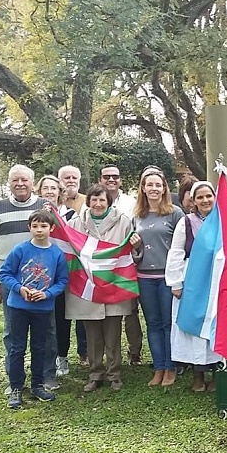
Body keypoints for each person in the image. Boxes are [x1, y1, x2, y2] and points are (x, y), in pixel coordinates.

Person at [0, 164, 47, 394]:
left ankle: (44, 378)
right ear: (9, 183)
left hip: (42, 282)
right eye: (15, 180)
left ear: (33, 182)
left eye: (24, 180)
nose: (20, 184)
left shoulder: (44, 206)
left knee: (44, 334)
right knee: (13, 334)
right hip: (10, 281)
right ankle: (15, 382)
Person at [67, 185, 135, 392]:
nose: (98, 204)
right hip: (87, 286)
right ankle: (95, 373)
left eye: (102, 200)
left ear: (109, 202)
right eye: (94, 200)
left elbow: (131, 250)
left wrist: (136, 245)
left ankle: (114, 373)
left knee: (113, 332)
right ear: (88, 201)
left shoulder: (123, 221)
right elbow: (67, 247)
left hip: (113, 283)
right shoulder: (76, 223)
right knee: (93, 333)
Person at [0, 210, 69, 408]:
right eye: (35, 226)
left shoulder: (56, 254)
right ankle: (16, 387)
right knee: (17, 347)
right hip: (18, 307)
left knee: (40, 347)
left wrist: (47, 294)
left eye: (44, 226)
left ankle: (37, 384)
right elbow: (4, 273)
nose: (39, 230)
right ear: (29, 227)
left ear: (51, 228)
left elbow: (62, 281)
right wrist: (19, 288)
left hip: (43, 308)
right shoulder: (20, 250)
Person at [166, 181, 224, 391]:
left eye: (208, 196)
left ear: (214, 197)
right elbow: (176, 252)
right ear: (193, 201)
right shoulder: (187, 222)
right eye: (200, 197)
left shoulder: (223, 221)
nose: (205, 200)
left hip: (217, 280)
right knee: (195, 327)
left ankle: (218, 372)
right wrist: (175, 282)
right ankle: (198, 374)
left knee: (217, 325)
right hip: (193, 280)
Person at [130, 167, 185, 387]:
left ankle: (171, 367)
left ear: (164, 188)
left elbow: (182, 248)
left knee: (168, 323)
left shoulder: (175, 213)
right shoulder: (136, 216)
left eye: (158, 185)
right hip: (144, 276)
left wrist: (179, 277)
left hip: (168, 277)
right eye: (149, 185)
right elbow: (134, 253)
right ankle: (159, 367)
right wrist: (135, 248)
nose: (154, 189)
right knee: (152, 323)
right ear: (143, 188)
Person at [99, 164, 143, 366]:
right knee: (110, 314)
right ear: (100, 179)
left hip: (127, 264)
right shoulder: (95, 201)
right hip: (103, 268)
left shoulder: (131, 202)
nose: (111, 180)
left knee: (131, 311)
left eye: (115, 176)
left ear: (120, 180)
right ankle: (105, 356)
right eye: (106, 176)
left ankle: (135, 352)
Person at [35, 175, 73, 389]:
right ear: (40, 191)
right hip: (38, 274)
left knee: (61, 317)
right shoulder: (35, 215)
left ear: (60, 191)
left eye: (53, 188)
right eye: (45, 188)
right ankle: (42, 361)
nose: (49, 191)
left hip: (61, 272)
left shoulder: (69, 214)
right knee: (41, 320)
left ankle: (62, 355)